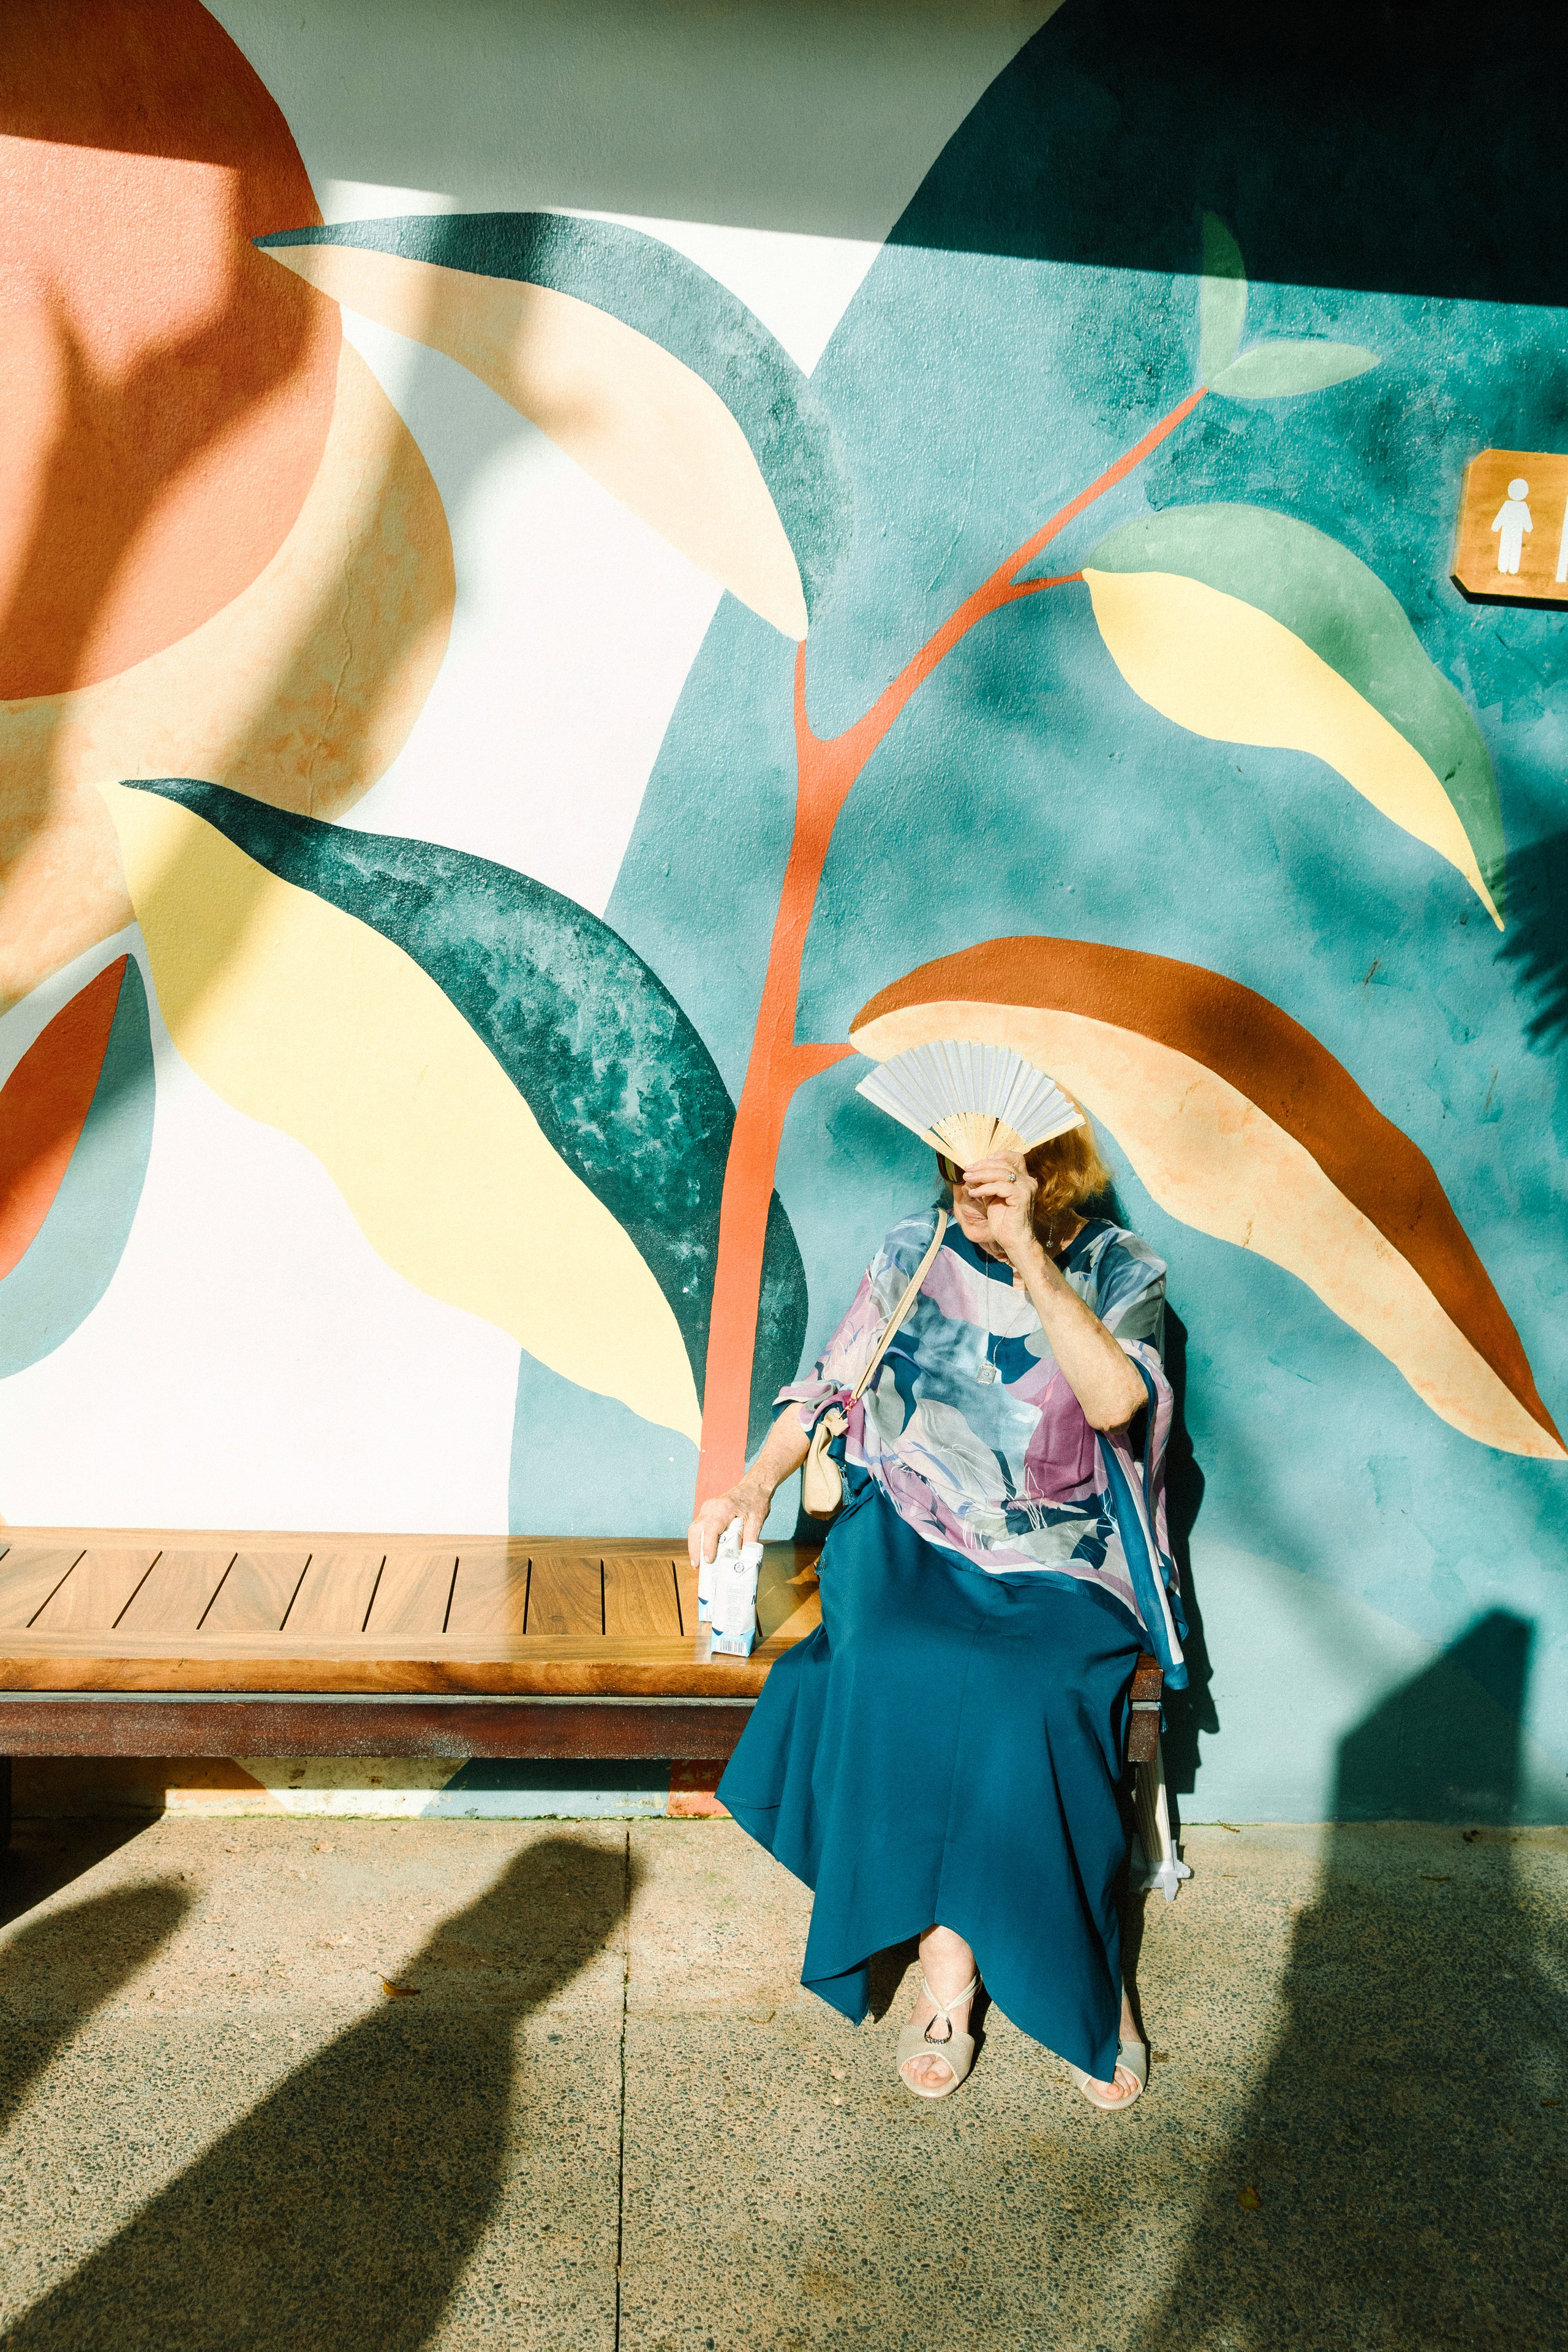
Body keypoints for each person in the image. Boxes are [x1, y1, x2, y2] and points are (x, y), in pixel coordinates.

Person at [688, 1116, 1186, 2108]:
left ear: (1052, 1171)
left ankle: (1085, 1968)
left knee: (1031, 1694)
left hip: (1063, 1553)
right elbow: (830, 1388)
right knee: (894, 1660)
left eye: (998, 1174)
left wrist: (1031, 1254)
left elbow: (1116, 1405)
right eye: (961, 1171)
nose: (973, 1190)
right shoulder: (912, 1252)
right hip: (917, 1531)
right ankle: (946, 1960)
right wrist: (752, 1487)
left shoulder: (1125, 1269)